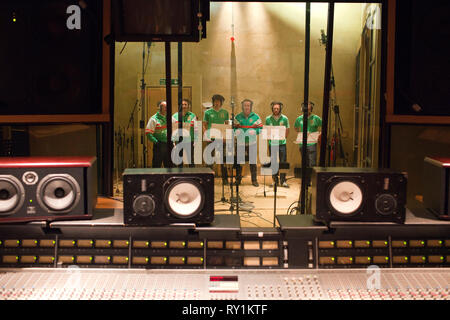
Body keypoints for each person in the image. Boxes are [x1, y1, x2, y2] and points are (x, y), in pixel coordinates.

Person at [234, 99, 263, 187]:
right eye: (245, 105)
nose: (246, 107)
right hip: (240, 143)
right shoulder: (237, 117)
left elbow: (260, 128)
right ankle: (238, 180)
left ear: (251, 106)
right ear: (242, 106)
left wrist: (255, 132)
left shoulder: (256, 117)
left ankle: (254, 180)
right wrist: (236, 132)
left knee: (253, 162)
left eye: (248, 105)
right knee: (239, 162)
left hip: (252, 143)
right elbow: (234, 128)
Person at [203, 94, 229, 185]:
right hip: (211, 138)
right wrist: (206, 135)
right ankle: (208, 179)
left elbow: (226, 125)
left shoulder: (225, 112)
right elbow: (204, 125)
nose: (217, 103)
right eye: (215, 101)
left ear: (221, 103)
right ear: (213, 102)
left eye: (219, 101)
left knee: (222, 159)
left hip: (221, 138)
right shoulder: (208, 112)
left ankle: (225, 179)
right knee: (209, 159)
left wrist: (225, 137)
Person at [265, 101, 290, 188]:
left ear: (280, 109)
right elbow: (267, 131)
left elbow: (287, 129)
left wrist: (283, 137)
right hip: (272, 144)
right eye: (274, 108)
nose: (276, 110)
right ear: (272, 109)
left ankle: (283, 181)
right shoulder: (268, 119)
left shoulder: (285, 118)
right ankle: (275, 180)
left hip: (282, 143)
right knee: (274, 162)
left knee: (283, 162)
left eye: (277, 108)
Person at [294, 101, 322, 167]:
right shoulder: (299, 119)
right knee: (304, 162)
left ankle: (312, 177)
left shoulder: (316, 118)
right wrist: (300, 133)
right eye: (306, 109)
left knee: (312, 162)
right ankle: (305, 177)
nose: (307, 111)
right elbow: (295, 127)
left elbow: (323, 126)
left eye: (309, 109)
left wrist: (319, 134)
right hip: (302, 143)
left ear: (311, 109)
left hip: (312, 143)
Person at [146, 100, 171, 168]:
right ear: (160, 108)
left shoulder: (169, 117)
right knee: (156, 166)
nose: (167, 108)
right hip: (159, 145)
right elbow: (148, 133)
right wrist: (156, 142)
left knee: (169, 166)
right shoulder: (154, 119)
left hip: (168, 144)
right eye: (165, 107)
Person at [172, 98, 196, 167]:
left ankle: (192, 176)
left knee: (190, 159)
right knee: (179, 158)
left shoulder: (192, 116)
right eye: (182, 104)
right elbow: (173, 129)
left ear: (188, 106)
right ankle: (180, 175)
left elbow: (196, 129)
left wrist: (196, 140)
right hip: (179, 140)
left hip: (189, 140)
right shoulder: (174, 116)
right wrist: (173, 141)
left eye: (185, 104)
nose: (184, 106)